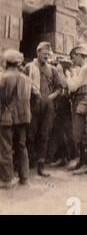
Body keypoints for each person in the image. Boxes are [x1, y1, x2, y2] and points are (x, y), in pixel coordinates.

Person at [0, 50, 40, 188]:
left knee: (5, 148)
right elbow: (37, 95)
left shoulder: (3, 77)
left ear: (6, 62)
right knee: (21, 147)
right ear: (18, 63)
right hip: (23, 118)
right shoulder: (26, 79)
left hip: (6, 117)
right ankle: (24, 178)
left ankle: (7, 179)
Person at [25, 41, 62, 177]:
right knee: (30, 134)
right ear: (38, 52)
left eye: (48, 54)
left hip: (48, 106)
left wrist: (51, 96)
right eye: (44, 53)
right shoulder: (29, 67)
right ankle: (28, 165)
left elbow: (60, 88)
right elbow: (24, 85)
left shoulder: (52, 69)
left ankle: (41, 166)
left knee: (45, 135)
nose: (47, 56)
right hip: (33, 104)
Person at [63, 46, 87, 175]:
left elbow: (73, 86)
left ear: (78, 55)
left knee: (81, 132)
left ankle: (86, 164)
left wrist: (66, 75)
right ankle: (82, 162)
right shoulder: (85, 69)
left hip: (80, 100)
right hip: (80, 100)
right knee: (80, 132)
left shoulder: (85, 68)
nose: (72, 60)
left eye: (73, 57)